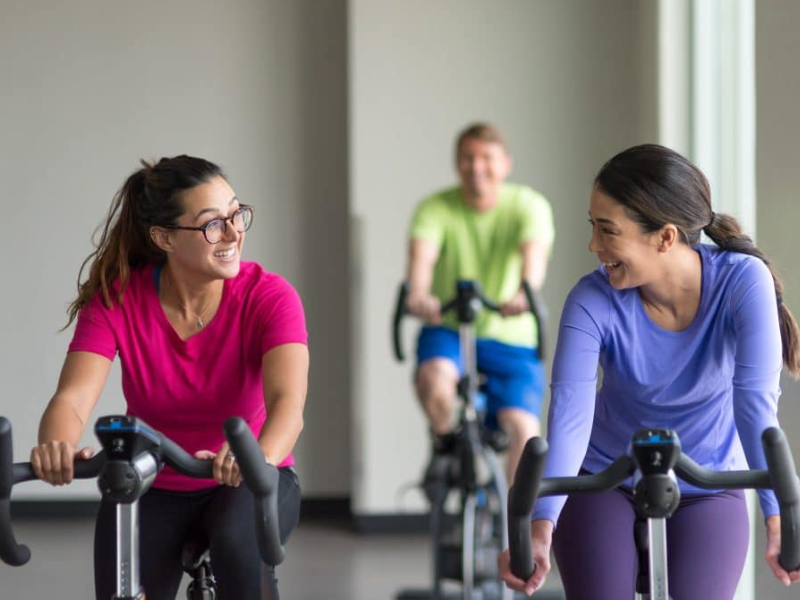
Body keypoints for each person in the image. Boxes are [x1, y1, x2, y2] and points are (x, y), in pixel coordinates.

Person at [499, 143, 800, 598]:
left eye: (607, 230)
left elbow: (755, 409)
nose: (593, 246)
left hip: (709, 481)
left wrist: (780, 520)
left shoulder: (743, 282)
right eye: (593, 227)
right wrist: (540, 527)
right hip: (604, 478)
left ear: (664, 236)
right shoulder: (591, 299)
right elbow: (571, 420)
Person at [29, 155, 308, 600]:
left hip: (252, 477)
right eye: (212, 224)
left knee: (239, 548)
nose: (234, 232)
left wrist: (256, 458)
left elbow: (288, 406)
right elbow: (73, 398)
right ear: (164, 238)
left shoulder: (270, 297)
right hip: (151, 480)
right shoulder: (116, 299)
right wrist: (57, 445)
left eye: (237, 214)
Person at [404, 122, 555, 487]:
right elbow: (421, 262)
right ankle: (445, 447)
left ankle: (515, 534)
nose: (477, 167)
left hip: (512, 336)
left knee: (524, 430)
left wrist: (525, 292)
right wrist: (419, 294)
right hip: (451, 327)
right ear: (457, 165)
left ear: (505, 164)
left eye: (487, 158)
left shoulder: (528, 206)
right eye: (468, 159)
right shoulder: (435, 208)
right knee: (435, 380)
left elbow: (533, 258)